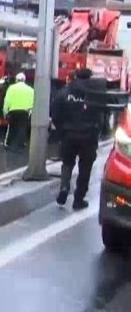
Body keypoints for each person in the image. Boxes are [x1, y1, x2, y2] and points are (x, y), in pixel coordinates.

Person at [51, 67, 104, 209]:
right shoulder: (95, 94)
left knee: (67, 163)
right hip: (89, 137)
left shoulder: (65, 91)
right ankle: (78, 199)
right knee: (85, 169)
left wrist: (62, 130)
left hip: (68, 135)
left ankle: (64, 186)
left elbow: (55, 112)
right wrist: (98, 130)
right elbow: (103, 114)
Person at [2, 72, 34, 151]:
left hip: (13, 112)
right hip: (25, 112)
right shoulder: (30, 90)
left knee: (11, 128)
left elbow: (7, 101)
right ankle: (21, 144)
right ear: (24, 80)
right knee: (22, 128)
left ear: (16, 80)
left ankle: (8, 144)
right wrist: (30, 112)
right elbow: (33, 103)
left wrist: (5, 112)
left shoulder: (11, 88)